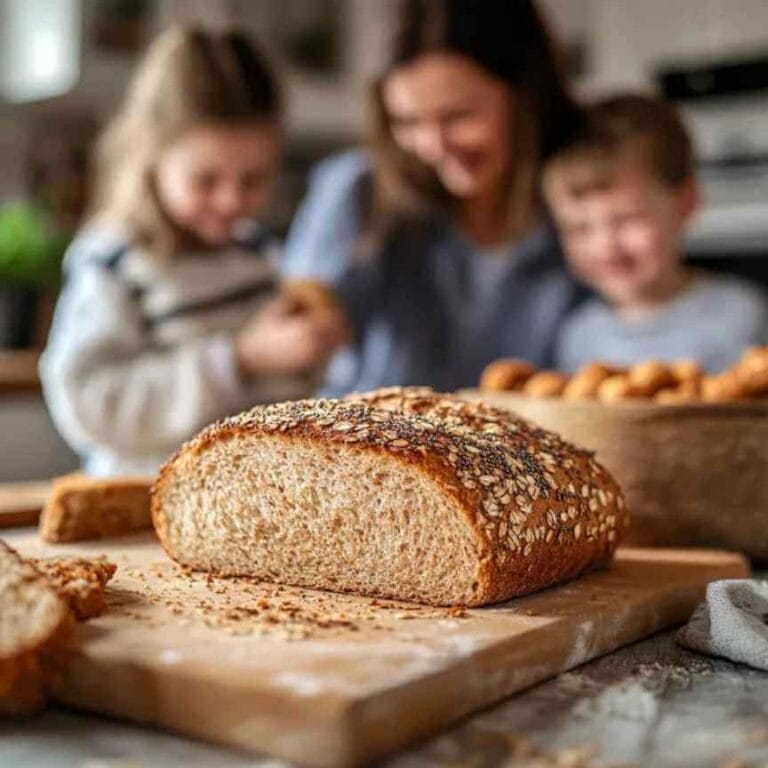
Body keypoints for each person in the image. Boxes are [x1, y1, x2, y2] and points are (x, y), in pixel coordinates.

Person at [41, 26, 348, 476]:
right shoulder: (115, 263)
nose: (231, 201)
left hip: (246, 503)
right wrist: (240, 359)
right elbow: (88, 402)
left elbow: (274, 402)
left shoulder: (256, 252)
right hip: (139, 503)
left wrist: (308, 350)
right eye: (205, 180)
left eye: (253, 180)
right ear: (152, 158)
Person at [282, 0, 585, 395]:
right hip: (371, 446)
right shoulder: (357, 191)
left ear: (526, 97)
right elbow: (303, 320)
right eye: (407, 121)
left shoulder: (584, 205)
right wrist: (305, 332)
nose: (432, 146)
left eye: (458, 117)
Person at [546, 93, 768, 374]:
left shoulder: (744, 317)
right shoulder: (576, 337)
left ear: (686, 203)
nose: (606, 246)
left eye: (628, 219)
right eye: (579, 228)